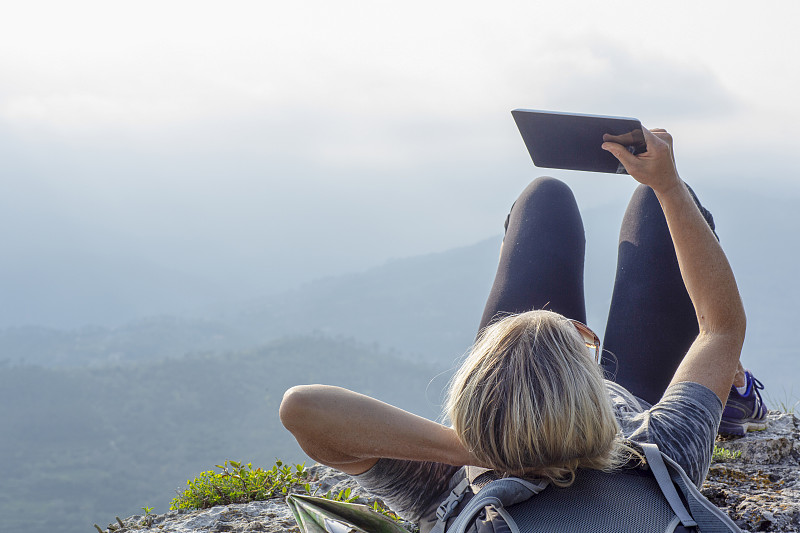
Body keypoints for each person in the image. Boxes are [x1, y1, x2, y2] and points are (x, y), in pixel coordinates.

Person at [279, 127, 766, 530]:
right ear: (590, 378)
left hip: (504, 433)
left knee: (544, 197)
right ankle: (732, 392)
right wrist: (668, 185)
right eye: (578, 339)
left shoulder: (447, 486)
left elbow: (303, 409)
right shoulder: (664, 443)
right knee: (649, 206)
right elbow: (720, 328)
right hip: (629, 409)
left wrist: (490, 445)